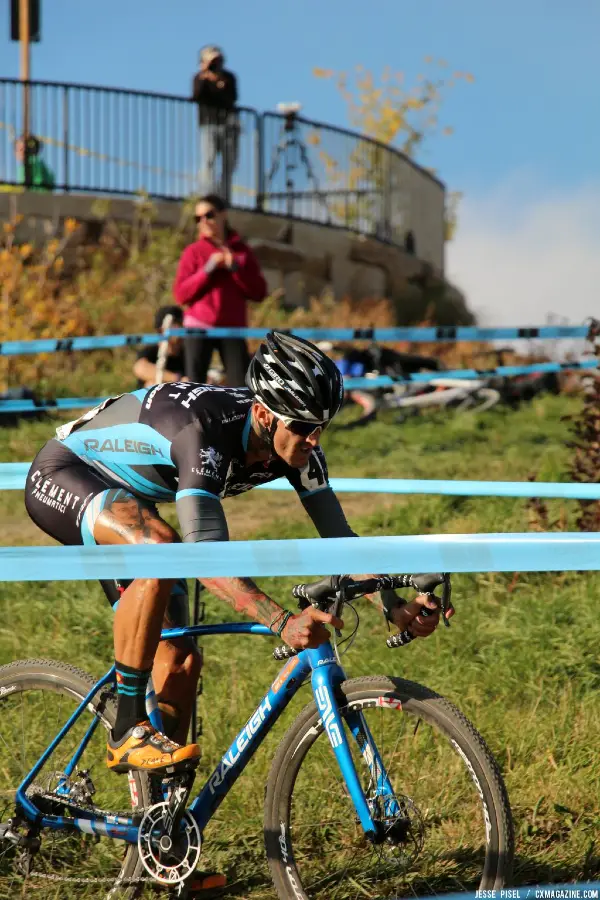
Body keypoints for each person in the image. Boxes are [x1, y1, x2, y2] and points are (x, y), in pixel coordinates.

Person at [24, 332, 453, 890]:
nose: (312, 438)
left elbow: (338, 539)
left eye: (322, 425)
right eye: (301, 425)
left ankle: (165, 848)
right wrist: (280, 620)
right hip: (67, 474)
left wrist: (392, 606)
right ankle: (125, 728)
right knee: (161, 549)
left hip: (136, 497)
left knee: (179, 665)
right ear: (264, 412)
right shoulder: (205, 433)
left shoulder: (300, 448)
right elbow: (206, 554)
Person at [173, 193, 267, 386]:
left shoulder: (242, 251)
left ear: (223, 214)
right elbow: (181, 294)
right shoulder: (193, 252)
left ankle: (239, 417)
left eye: (209, 215)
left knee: (240, 387)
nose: (204, 221)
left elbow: (259, 292)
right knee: (194, 387)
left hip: (232, 329)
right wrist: (208, 269)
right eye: (198, 218)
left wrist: (235, 269)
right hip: (198, 327)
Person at [192, 45, 239, 201]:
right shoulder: (199, 78)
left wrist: (219, 82)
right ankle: (207, 195)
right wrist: (204, 76)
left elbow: (231, 98)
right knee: (209, 161)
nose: (215, 64)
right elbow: (197, 95)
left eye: (217, 61)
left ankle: (225, 198)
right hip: (208, 124)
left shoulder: (229, 78)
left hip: (227, 125)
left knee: (228, 164)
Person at [133, 306, 187, 389]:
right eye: (178, 324)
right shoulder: (151, 351)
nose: (182, 328)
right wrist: (178, 380)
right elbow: (140, 368)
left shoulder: (186, 354)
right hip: (152, 400)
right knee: (152, 385)